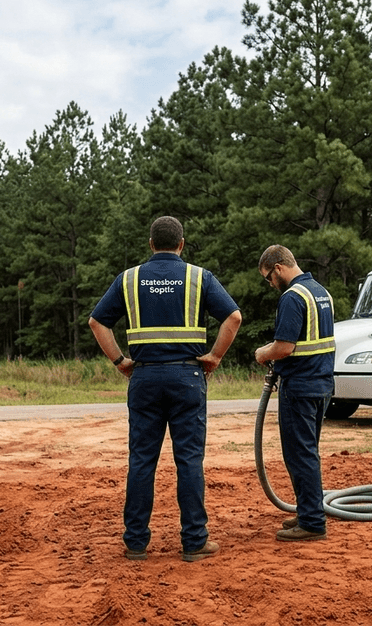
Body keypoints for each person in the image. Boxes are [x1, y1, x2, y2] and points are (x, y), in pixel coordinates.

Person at [88, 216, 242, 563]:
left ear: (151, 244)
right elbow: (233, 317)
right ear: (182, 245)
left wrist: (120, 361)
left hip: (143, 378)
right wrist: (214, 357)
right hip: (188, 377)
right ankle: (194, 541)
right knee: (189, 460)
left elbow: (97, 321)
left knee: (142, 460)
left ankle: (136, 543)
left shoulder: (128, 279)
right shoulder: (199, 277)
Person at [253, 245, 335, 542]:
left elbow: (284, 347)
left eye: (268, 278)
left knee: (300, 455)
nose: (270, 285)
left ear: (277, 268)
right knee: (307, 452)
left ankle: (312, 522)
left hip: (300, 387)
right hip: (322, 385)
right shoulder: (321, 293)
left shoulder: (292, 297)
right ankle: (307, 510)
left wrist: (263, 353)